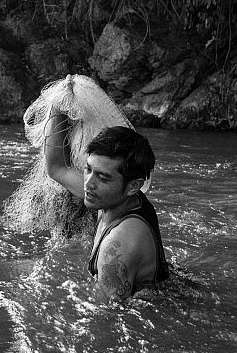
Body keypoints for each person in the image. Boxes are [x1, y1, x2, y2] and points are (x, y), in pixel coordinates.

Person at [44, 112, 169, 302]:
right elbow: (57, 168)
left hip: (160, 310)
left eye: (102, 177)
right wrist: (59, 105)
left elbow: (107, 318)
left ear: (133, 186)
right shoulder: (110, 195)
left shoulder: (118, 245)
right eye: (88, 169)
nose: (88, 183)